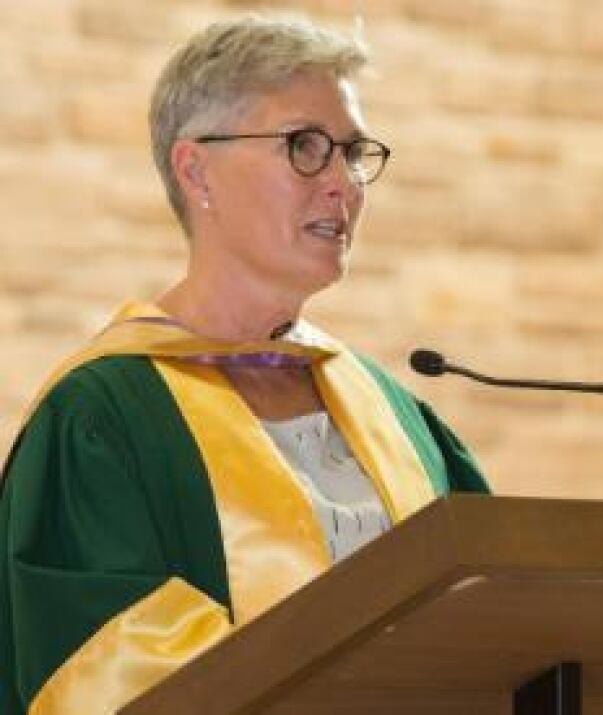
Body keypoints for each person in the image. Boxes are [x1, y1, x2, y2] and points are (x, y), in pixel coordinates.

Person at [0, 13, 490, 715]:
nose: (343, 186)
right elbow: (109, 678)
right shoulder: (102, 419)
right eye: (305, 146)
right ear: (196, 169)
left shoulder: (397, 414)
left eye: (353, 154)